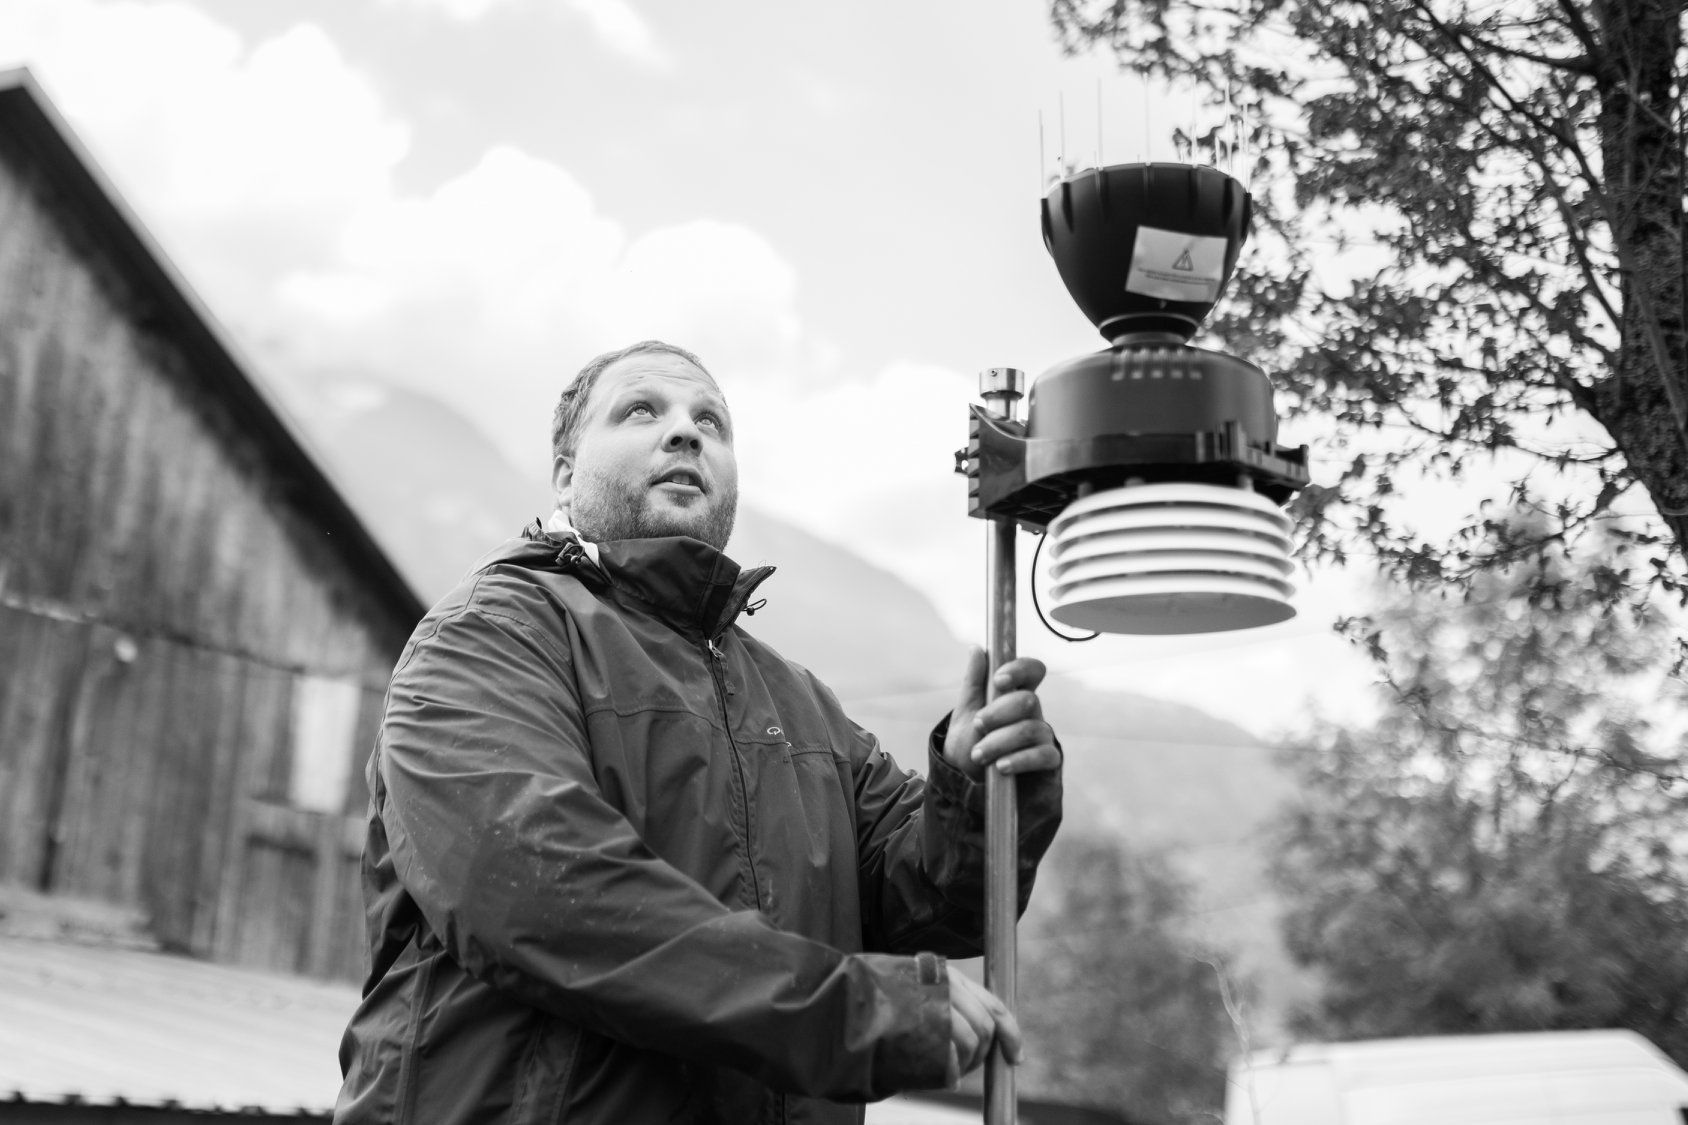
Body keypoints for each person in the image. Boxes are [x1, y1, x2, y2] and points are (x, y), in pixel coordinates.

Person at [335, 340, 1063, 1125]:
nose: (685, 432)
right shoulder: (489, 634)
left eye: (710, 421)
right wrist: (854, 1010)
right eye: (641, 409)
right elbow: (541, 888)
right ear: (564, 471)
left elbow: (937, 903)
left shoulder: (799, 704)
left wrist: (972, 788)